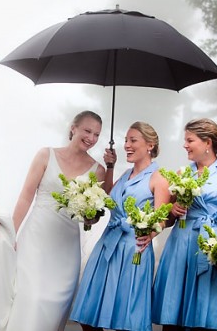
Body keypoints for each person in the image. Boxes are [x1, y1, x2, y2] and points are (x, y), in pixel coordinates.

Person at [5, 111, 106, 331]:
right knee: (29, 298)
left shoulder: (98, 171)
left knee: (54, 304)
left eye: (97, 134)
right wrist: (11, 233)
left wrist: (90, 215)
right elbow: (25, 197)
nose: (91, 138)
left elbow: (91, 221)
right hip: (36, 239)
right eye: (87, 130)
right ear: (73, 128)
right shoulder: (45, 155)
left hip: (67, 246)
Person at [70, 121, 170, 331]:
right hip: (107, 245)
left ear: (150, 145)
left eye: (133, 140)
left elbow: (162, 218)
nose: (127, 145)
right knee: (88, 310)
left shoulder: (159, 178)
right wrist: (110, 167)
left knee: (128, 316)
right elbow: (107, 198)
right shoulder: (125, 174)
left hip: (133, 250)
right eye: (126, 140)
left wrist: (148, 234)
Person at [152, 118, 217, 331]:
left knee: (210, 315)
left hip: (213, 245)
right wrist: (172, 211)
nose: (185, 145)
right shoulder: (181, 174)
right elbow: (166, 220)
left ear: (207, 143)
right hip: (181, 247)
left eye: (189, 140)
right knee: (174, 317)